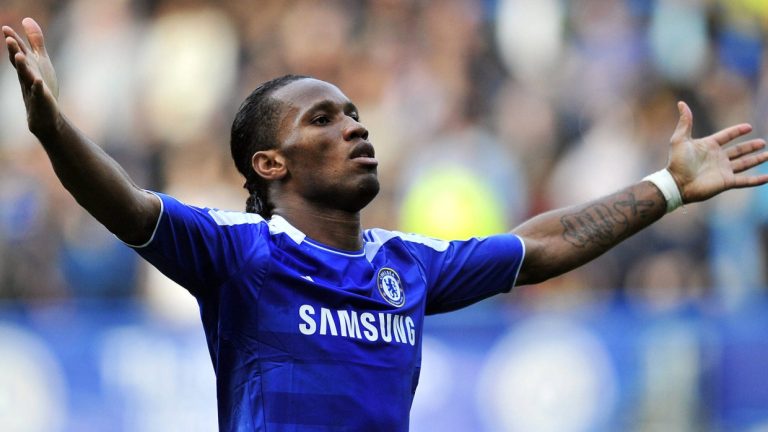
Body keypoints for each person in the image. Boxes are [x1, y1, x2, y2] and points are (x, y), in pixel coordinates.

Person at [4, 17, 768, 431]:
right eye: (323, 120)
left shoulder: (406, 263)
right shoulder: (239, 253)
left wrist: (669, 186)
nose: (355, 127)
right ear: (270, 163)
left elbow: (542, 244)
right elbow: (126, 205)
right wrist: (51, 126)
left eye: (354, 114)